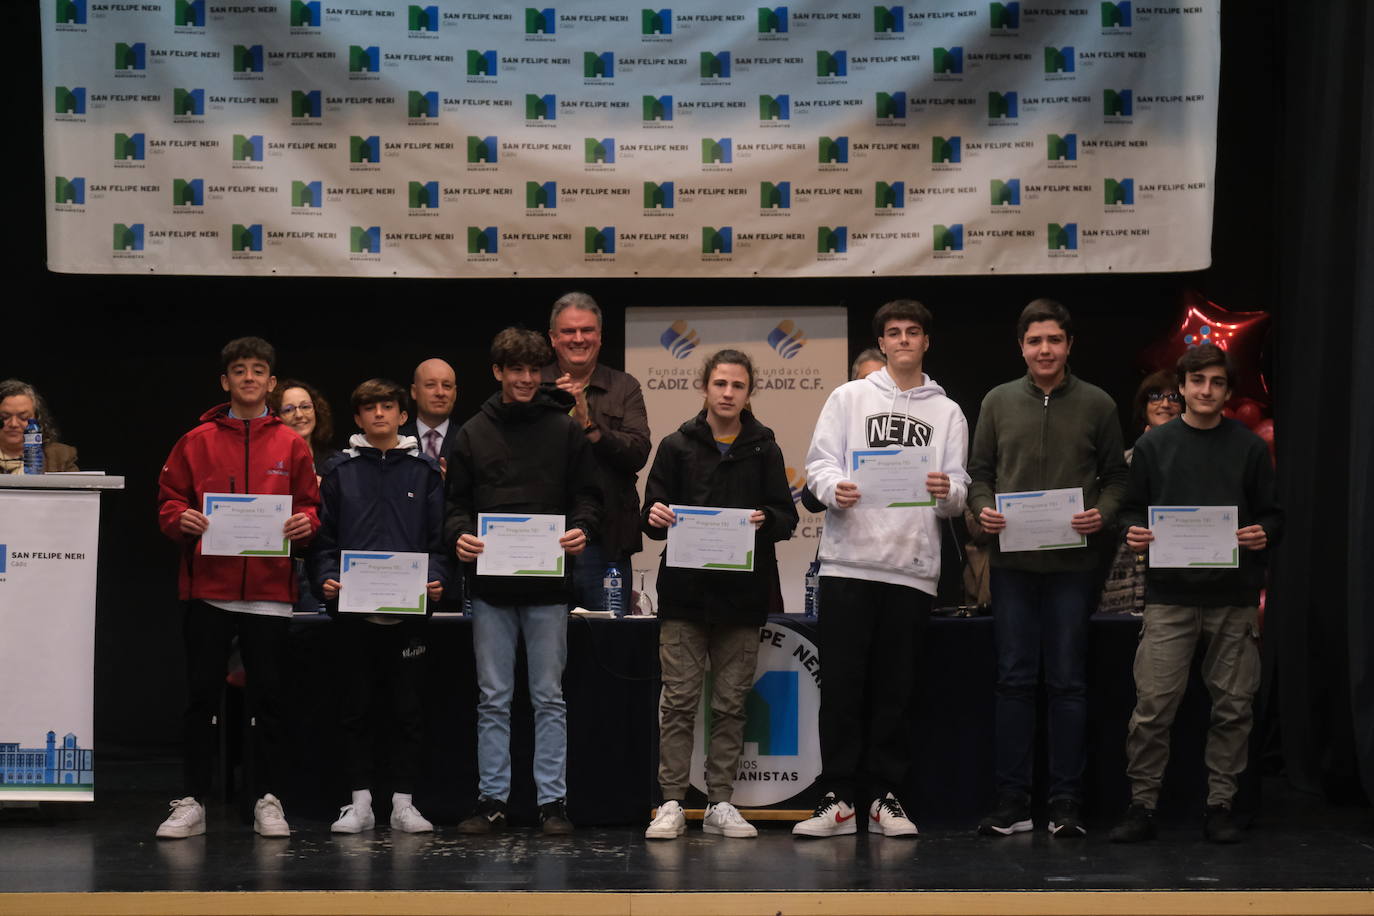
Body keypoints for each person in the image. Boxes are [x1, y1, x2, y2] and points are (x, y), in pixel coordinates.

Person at [795, 299, 970, 839]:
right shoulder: (848, 398)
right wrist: (833, 488)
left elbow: (960, 493)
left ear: (925, 341)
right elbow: (819, 464)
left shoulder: (949, 412)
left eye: (912, 332)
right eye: (893, 333)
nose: (902, 341)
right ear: (883, 342)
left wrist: (947, 493)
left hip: (912, 569)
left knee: (896, 691)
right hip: (848, 564)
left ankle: (885, 799)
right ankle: (840, 799)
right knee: (843, 689)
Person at [968, 299, 1128, 839]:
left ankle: (1066, 802)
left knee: (1068, 683)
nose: (1044, 350)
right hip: (1011, 564)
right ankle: (1012, 801)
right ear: (1021, 346)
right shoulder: (996, 402)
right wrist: (982, 508)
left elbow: (1117, 480)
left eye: (1054, 340)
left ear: (1069, 345)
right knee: (1013, 681)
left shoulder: (1098, 404)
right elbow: (979, 475)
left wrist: (1101, 514)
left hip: (1072, 567)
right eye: (1035, 341)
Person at [1109, 344, 1282, 844]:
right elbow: (1128, 510)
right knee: (1153, 707)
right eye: (1197, 381)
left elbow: (1274, 515)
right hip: (1169, 597)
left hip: (1234, 598)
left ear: (1228, 392)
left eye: (1217, 383)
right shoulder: (1154, 447)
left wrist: (1261, 533)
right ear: (1182, 386)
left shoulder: (1248, 447)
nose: (1207, 391)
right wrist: (1133, 531)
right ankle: (1141, 805)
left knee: (1233, 707)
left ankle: (1221, 805)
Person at [154, 337, 320, 839]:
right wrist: (178, 518)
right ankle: (193, 801)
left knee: (268, 699)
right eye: (239, 370)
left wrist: (304, 524)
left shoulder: (290, 444)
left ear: (272, 382)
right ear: (225, 381)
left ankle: (267, 800)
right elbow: (167, 501)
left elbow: (310, 506)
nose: (249, 378)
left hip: (269, 590)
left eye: (259, 371)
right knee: (201, 697)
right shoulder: (196, 440)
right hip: (208, 587)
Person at [445, 328, 601, 835]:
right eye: (517, 370)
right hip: (490, 590)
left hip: (549, 590)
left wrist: (583, 528)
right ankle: (493, 799)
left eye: (535, 370)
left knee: (548, 698)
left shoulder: (565, 429)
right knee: (493, 697)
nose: (527, 379)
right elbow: (454, 506)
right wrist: (461, 535)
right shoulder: (471, 432)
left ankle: (551, 803)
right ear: (497, 372)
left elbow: (588, 496)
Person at [642, 349, 798, 841]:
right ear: (704, 388)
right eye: (720, 384)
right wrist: (657, 515)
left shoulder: (765, 449)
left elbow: (787, 517)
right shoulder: (675, 445)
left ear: (749, 393)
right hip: (685, 598)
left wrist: (765, 520)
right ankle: (670, 802)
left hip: (742, 597)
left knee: (731, 705)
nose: (728, 393)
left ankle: (720, 802)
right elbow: (650, 514)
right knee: (679, 702)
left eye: (737, 385)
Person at [308, 379, 450, 835]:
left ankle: (404, 802)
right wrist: (325, 578)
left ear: (403, 415)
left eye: (388, 407)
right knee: (356, 707)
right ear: (358, 418)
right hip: (354, 615)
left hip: (408, 615)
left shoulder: (424, 472)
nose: (380, 415)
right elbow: (323, 540)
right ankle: (360, 801)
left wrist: (440, 580)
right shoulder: (339, 471)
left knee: (407, 709)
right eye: (369, 408)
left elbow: (440, 542)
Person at [541, 292, 651, 610]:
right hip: (545, 537)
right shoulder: (534, 386)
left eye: (587, 330)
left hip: (607, 540)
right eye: (568, 331)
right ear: (553, 338)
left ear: (600, 337)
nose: (579, 338)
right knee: (544, 646)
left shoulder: (624, 386)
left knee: (607, 646)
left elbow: (638, 452)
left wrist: (589, 425)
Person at [1097, 370, 1184, 615]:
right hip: (1128, 567)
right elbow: (1112, 513)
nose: (1165, 404)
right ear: (1144, 406)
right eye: (1156, 396)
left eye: (1174, 397)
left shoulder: (1197, 459)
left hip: (1180, 565)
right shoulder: (1122, 462)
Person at [799, 349, 887, 514]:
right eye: (865, 380)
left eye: (880, 380)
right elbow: (811, 502)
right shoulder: (840, 420)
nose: (872, 387)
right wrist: (834, 488)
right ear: (852, 382)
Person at [0, 379, 78, 474]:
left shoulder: (60, 456)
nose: (13, 424)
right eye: (4, 417)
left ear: (37, 419)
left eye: (23, 417)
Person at [269, 379, 341, 477]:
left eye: (305, 407)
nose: (299, 415)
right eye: (288, 410)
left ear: (317, 411)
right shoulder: (268, 461)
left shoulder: (336, 461)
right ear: (276, 416)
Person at [400, 358, 458, 470]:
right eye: (430, 385)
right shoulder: (395, 441)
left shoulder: (470, 441)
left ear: (455, 394)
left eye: (447, 386)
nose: (440, 393)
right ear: (414, 392)